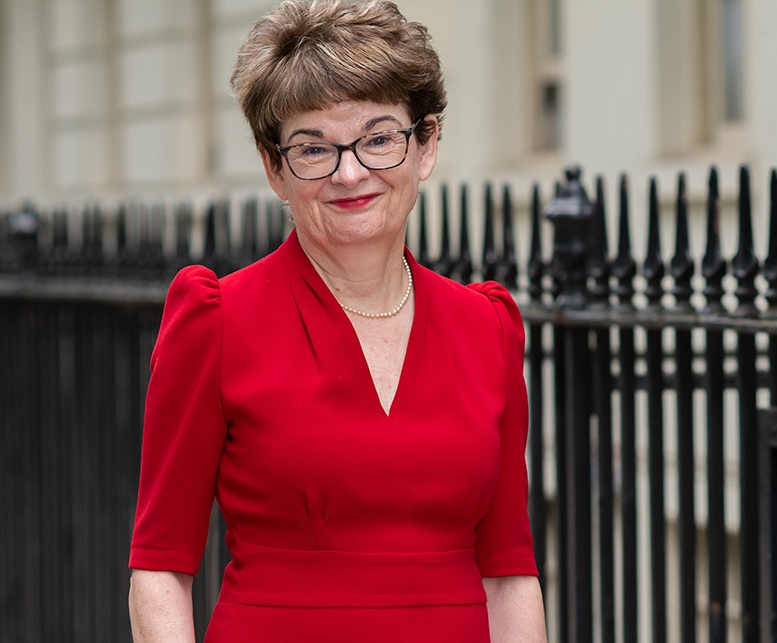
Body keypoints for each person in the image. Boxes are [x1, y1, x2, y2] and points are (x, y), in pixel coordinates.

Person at [128, 1, 547, 640]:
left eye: (379, 138)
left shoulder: (486, 328)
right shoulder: (216, 320)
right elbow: (160, 569)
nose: (350, 173)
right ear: (275, 169)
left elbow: (509, 575)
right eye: (313, 149)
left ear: (426, 144)